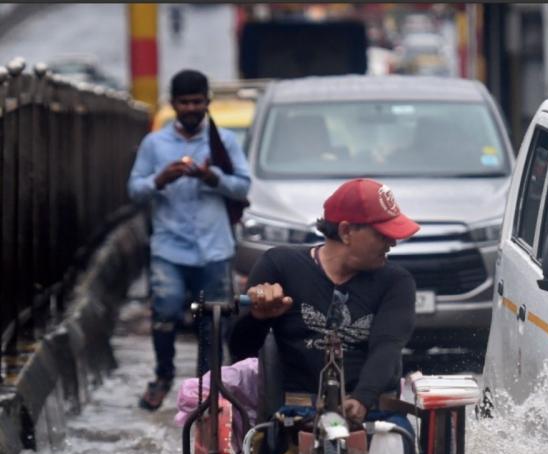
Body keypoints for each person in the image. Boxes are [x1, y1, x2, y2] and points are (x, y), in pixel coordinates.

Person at [229, 178, 419, 426]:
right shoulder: (279, 265)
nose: (392, 243)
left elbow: (388, 347)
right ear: (346, 231)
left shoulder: (396, 281)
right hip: (296, 414)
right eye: (382, 234)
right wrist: (258, 317)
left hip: (372, 411)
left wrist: (362, 399)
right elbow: (239, 350)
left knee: (399, 449)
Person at [128, 69, 251, 410]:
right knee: (165, 311)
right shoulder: (155, 144)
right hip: (170, 246)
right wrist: (161, 178)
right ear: (174, 104)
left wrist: (212, 176)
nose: (191, 108)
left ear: (207, 103)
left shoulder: (223, 142)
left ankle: (207, 388)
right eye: (185, 102)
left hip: (215, 247)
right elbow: (134, 191)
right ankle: (164, 375)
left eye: (198, 101)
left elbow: (242, 185)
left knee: (214, 318)